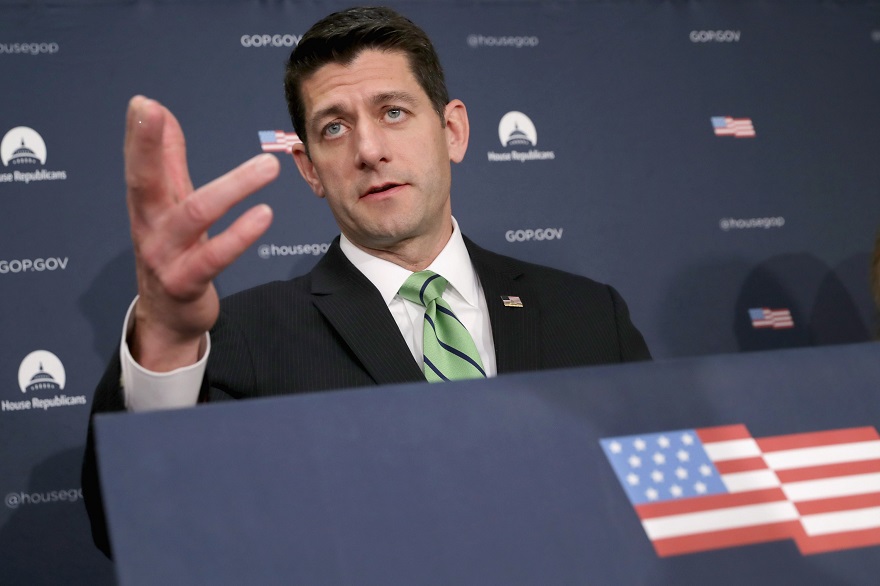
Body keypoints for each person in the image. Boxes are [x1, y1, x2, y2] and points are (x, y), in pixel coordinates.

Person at [83, 6, 651, 557]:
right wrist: (164, 341)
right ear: (309, 169)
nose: (369, 151)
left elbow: (664, 507)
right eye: (335, 127)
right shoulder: (243, 338)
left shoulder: (589, 313)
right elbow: (132, 525)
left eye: (394, 112)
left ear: (452, 130)